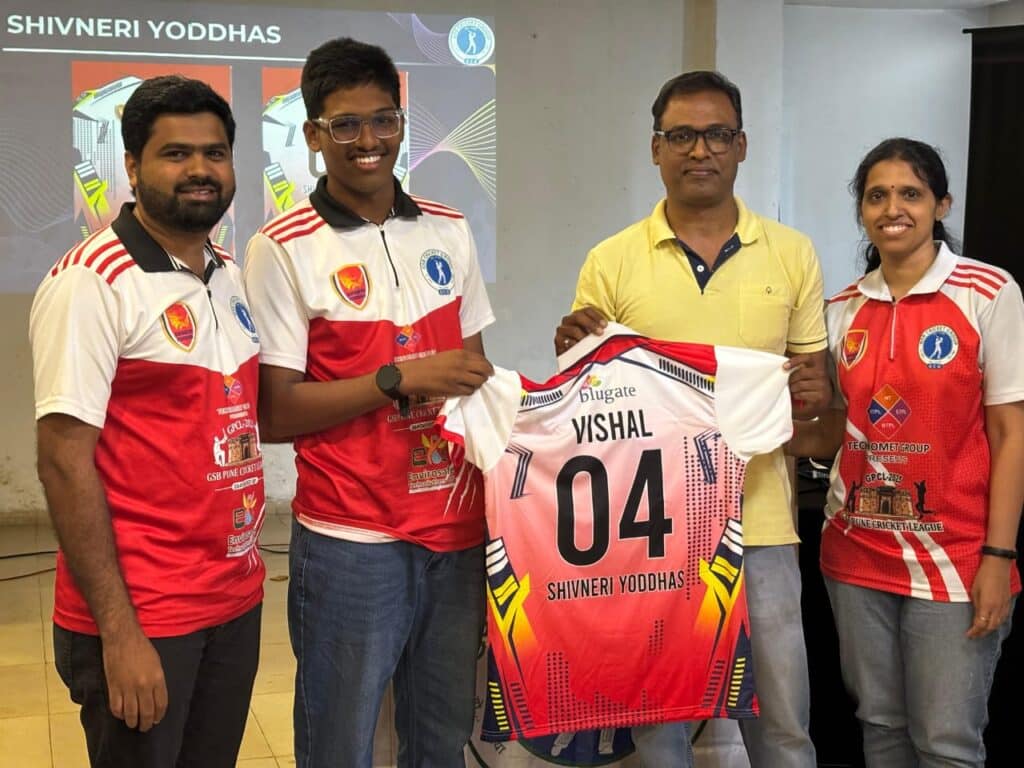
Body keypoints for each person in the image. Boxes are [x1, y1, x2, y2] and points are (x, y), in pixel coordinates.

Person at [555, 70, 828, 767]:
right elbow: (593, 400)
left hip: (761, 525)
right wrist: (573, 357)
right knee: (660, 727)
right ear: (656, 148)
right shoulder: (611, 260)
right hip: (651, 533)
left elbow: (813, 396)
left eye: (716, 135)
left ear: (742, 145)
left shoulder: (792, 253)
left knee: (784, 724)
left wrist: (808, 394)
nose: (699, 150)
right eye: (681, 135)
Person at [243, 37, 495, 768]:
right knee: (340, 745)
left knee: (441, 740)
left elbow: (473, 372)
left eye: (383, 120)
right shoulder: (281, 247)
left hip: (455, 530)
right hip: (352, 541)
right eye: (345, 125)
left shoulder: (450, 227)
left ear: (401, 122)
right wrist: (397, 378)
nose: (368, 141)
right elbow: (276, 414)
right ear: (313, 135)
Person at [30, 75, 264, 768]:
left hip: (232, 601)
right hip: (144, 618)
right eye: (175, 154)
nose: (200, 170)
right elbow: (63, 460)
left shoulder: (227, 274)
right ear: (132, 167)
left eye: (215, 153)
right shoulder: (90, 282)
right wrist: (119, 632)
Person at [789, 137, 1024, 767]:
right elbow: (833, 433)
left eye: (910, 194)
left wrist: (999, 556)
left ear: (941, 204)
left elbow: (1011, 435)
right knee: (881, 727)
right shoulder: (841, 309)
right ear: (862, 210)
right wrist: (738, 420)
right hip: (854, 553)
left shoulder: (987, 292)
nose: (893, 208)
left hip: (954, 558)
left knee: (947, 743)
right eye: (877, 195)